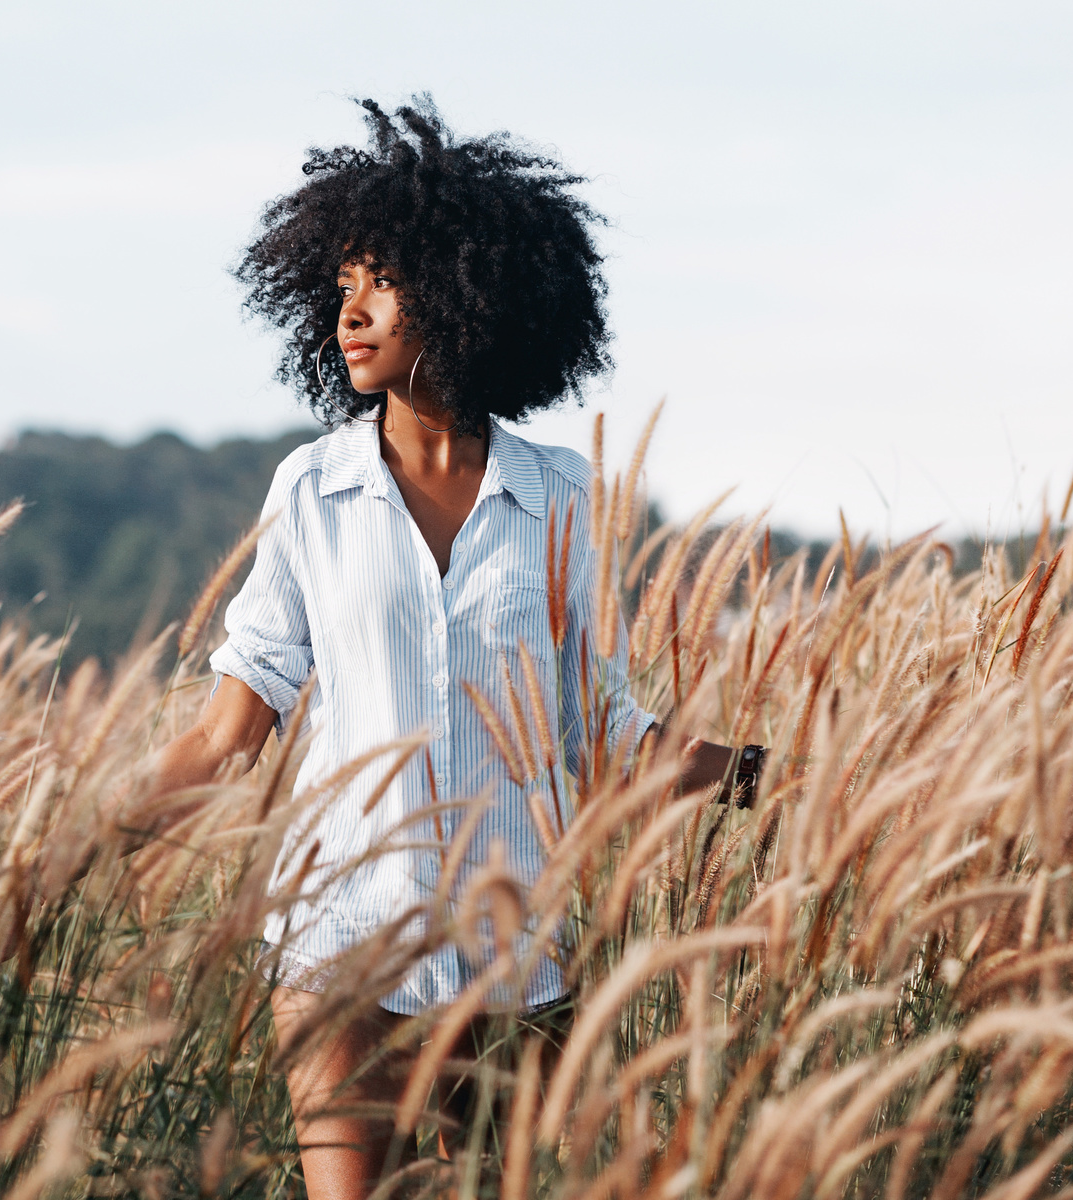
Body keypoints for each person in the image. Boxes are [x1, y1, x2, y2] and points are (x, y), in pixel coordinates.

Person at [137, 99, 752, 1198]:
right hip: (341, 939)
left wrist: (769, 780)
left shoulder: (560, 492)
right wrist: (74, 850)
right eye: (340, 287)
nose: (351, 312)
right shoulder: (312, 490)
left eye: (382, 282)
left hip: (512, 954)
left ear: (469, 287)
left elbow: (598, 721)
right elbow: (230, 727)